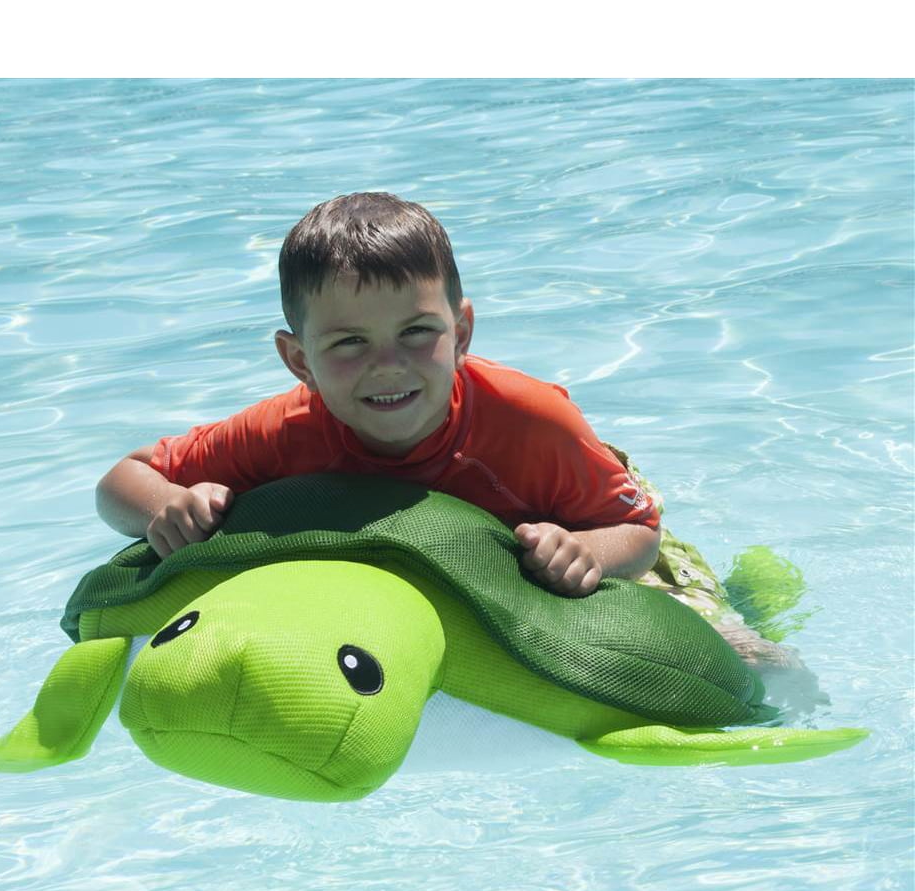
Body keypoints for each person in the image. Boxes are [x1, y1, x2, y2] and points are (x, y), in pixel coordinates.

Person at [97, 192, 791, 666]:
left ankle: (757, 591)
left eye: (417, 332)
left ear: (461, 333)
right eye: (349, 343)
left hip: (586, 501)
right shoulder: (284, 430)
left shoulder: (529, 420)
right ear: (299, 361)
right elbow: (121, 481)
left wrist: (587, 552)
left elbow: (637, 532)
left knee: (741, 650)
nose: (387, 365)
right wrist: (166, 508)